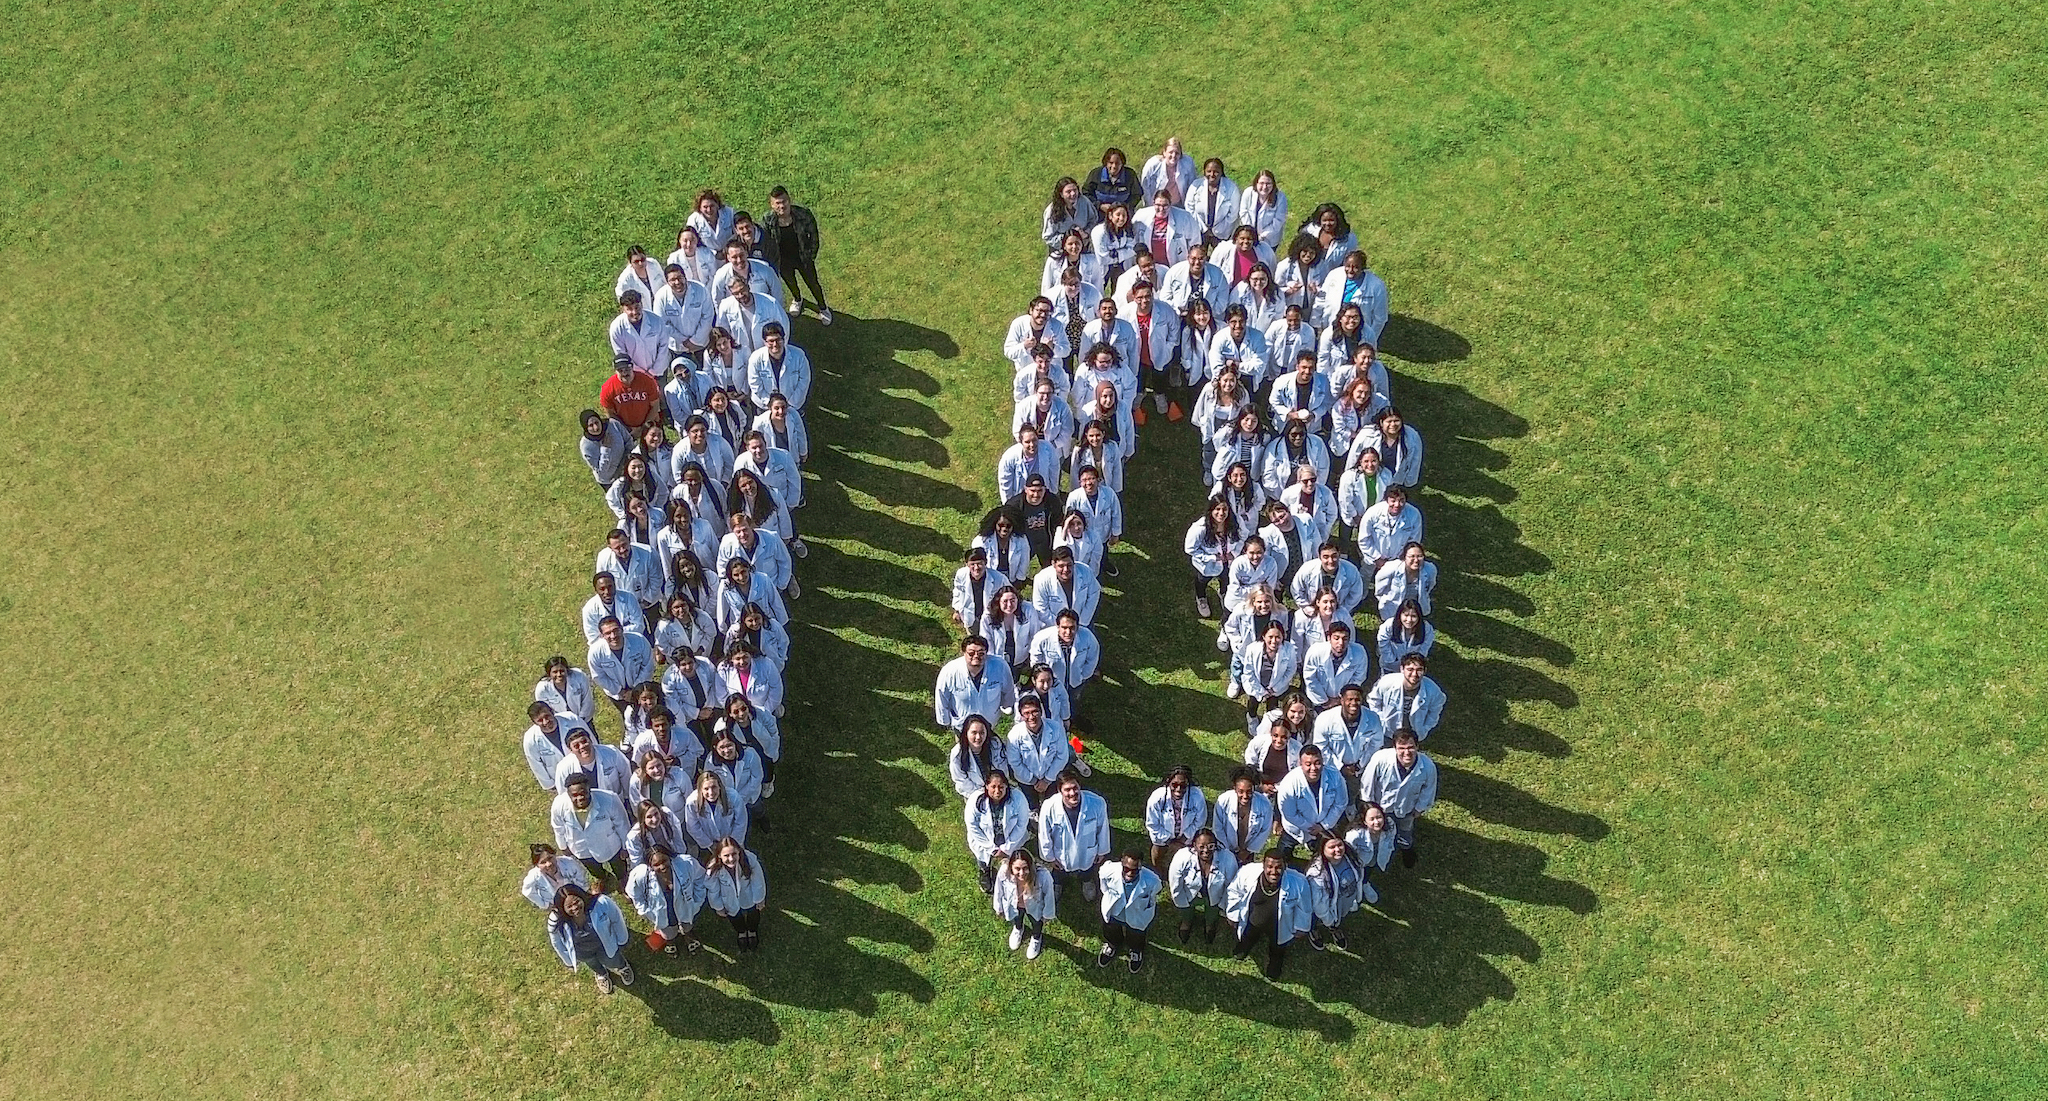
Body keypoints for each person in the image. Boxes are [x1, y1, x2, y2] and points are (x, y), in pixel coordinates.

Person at [1224, 844, 1314, 979]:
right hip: (1253, 921)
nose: (1274, 871)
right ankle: (1243, 949)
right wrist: (1233, 914)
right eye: (1270, 867)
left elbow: (1304, 907)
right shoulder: (1247, 872)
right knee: (1248, 936)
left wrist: (1302, 927)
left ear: (1285, 866)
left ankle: (1274, 963)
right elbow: (1234, 891)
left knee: (1278, 947)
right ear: (1263, 865)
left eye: (1278, 867)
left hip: (1280, 925)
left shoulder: (1299, 882)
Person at [1362, 729, 1437, 867]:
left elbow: (1429, 789)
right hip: (1381, 808)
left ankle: (1406, 850)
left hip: (1407, 811)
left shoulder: (1427, 766)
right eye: (1401, 748)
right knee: (1377, 832)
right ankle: (1375, 854)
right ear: (1394, 748)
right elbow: (1367, 783)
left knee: (1405, 831)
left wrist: (1420, 808)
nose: (1406, 753)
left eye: (1410, 747)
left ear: (1417, 747)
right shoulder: (1380, 759)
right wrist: (1369, 806)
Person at [760, 186, 831, 324]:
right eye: (777, 203)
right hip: (783, 260)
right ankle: (798, 299)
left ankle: (823, 307)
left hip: (803, 258)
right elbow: (766, 242)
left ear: (789, 200)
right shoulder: (768, 220)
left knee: (813, 283)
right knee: (790, 282)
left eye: (784, 201)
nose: (782, 206)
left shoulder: (803, 214)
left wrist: (811, 255)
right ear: (772, 204)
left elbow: (814, 236)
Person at [1037, 769, 1111, 901]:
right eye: (1067, 790)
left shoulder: (1097, 803)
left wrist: (1102, 851)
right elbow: (1044, 834)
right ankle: (1057, 884)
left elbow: (1103, 828)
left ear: (1079, 786)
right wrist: (1050, 858)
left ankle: (1087, 882)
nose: (1072, 793)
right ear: (1060, 791)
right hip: (1060, 853)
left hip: (1087, 850)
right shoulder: (1049, 807)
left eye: (1075, 788)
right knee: (1059, 871)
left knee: (1087, 869)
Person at [549, 774, 632, 891]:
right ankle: (602, 877)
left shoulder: (609, 799)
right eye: (574, 795)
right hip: (581, 847)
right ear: (568, 794)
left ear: (589, 789)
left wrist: (625, 846)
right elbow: (558, 827)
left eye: (583, 793)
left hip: (610, 845)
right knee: (593, 868)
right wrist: (562, 845)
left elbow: (622, 824)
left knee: (619, 865)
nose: (580, 798)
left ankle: (622, 880)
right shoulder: (559, 805)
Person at [546, 886, 634, 994]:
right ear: (562, 909)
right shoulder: (555, 920)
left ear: (582, 897)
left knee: (612, 960)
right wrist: (567, 960)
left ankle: (622, 967)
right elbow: (556, 941)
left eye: (577, 902)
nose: (575, 908)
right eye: (569, 906)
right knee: (592, 963)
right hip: (582, 952)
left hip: (604, 944)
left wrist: (622, 939)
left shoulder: (601, 902)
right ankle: (601, 974)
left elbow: (616, 918)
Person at [626, 844, 706, 956]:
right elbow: (634, 894)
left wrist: (697, 901)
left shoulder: (686, 863)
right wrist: (645, 911)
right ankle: (670, 942)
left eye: (664, 860)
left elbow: (700, 878)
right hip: (663, 914)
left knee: (687, 924)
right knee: (668, 932)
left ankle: (688, 937)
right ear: (650, 866)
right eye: (656, 864)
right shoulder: (640, 875)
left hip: (685, 907)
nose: (662, 867)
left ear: (670, 857)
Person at [1028, 609, 1099, 731]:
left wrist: (1083, 676)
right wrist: (1045, 679)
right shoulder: (1042, 638)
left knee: (1071, 700)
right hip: (1052, 683)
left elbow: (1092, 658)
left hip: (1075, 682)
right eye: (1064, 627)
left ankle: (1070, 718)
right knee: (1052, 703)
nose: (1068, 632)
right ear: (1057, 626)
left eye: (1072, 628)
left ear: (1078, 626)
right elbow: (1035, 661)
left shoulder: (1087, 637)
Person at [966, 769, 1033, 895]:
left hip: (1011, 839)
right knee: (983, 859)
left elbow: (1021, 824)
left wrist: (1007, 847)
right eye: (993, 787)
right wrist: (991, 848)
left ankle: (1014, 874)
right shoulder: (975, 800)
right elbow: (972, 826)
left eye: (1001, 787)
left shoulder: (1017, 797)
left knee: (1014, 859)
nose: (997, 791)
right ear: (986, 786)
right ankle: (985, 871)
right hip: (984, 841)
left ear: (1007, 786)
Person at [1166, 828, 1237, 945]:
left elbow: (1231, 886)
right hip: (1189, 893)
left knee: (1212, 912)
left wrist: (1224, 904)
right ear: (1194, 845)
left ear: (1216, 845)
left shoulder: (1227, 858)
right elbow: (1175, 882)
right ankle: (1187, 922)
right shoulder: (1182, 857)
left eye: (1210, 846)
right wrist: (1180, 900)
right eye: (1201, 846)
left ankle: (1209, 925)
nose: (1206, 850)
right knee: (1186, 910)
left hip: (1215, 895)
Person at [1096, 851, 1163, 972]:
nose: (1130, 873)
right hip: (1114, 912)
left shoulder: (1152, 880)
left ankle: (1136, 951)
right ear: (1121, 862)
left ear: (1140, 866)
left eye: (1134, 869)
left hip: (1137, 915)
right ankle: (1112, 944)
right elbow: (1103, 882)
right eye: (1126, 868)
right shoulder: (1109, 870)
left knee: (1136, 936)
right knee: (1111, 930)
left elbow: (1154, 893)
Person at [1275, 744, 1350, 851]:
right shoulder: (1289, 784)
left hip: (1326, 824)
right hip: (1296, 828)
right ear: (1300, 764)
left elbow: (1340, 804)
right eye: (1308, 764)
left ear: (1323, 761)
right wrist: (1310, 828)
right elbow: (1290, 814)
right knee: (1282, 856)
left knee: (1327, 857)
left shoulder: (1335, 776)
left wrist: (1323, 825)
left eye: (1317, 763)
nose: (1313, 768)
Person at [933, 636, 1016, 732]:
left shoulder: (1000, 666)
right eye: (971, 653)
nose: (976, 656)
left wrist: (1007, 705)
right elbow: (941, 697)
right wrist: (944, 720)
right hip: (962, 726)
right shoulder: (949, 671)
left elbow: (1008, 689)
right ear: (963, 653)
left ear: (987, 653)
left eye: (981, 653)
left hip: (990, 723)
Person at [703, 837, 768, 952]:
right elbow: (713, 890)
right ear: (719, 856)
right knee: (735, 917)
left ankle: (752, 931)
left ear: (739, 851)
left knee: (753, 915)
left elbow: (758, 881)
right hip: (728, 900)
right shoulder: (713, 869)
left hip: (749, 896)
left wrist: (759, 899)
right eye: (726, 856)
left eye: (734, 854)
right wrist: (718, 906)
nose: (731, 859)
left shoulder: (749, 860)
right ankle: (742, 933)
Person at [587, 616, 656, 722]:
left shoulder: (639, 641)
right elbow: (598, 676)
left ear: (622, 629)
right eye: (608, 633)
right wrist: (620, 691)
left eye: (616, 630)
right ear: (601, 636)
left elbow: (648, 666)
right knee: (630, 719)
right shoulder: (595, 652)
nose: (613, 636)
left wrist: (636, 691)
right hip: (618, 695)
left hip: (643, 690)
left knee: (652, 716)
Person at [1312, 683, 1385, 783]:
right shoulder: (1324, 719)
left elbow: (1376, 744)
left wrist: (1360, 764)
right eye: (1350, 699)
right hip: (1331, 771)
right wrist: (1340, 767)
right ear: (1342, 700)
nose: (1354, 703)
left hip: (1362, 770)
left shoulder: (1373, 718)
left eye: (1357, 699)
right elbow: (1321, 747)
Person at [1305, 833, 1367, 950]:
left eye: (1339, 845)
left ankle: (1334, 928)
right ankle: (1313, 929)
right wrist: (1328, 920)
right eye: (1331, 847)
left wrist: (1357, 897)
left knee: (1338, 918)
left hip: (1343, 901)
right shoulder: (1317, 874)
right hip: (1325, 906)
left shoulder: (1351, 857)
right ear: (1322, 850)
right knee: (1315, 919)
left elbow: (1359, 876)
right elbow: (1319, 905)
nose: (1337, 849)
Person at [1315, 248, 1388, 345]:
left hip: (1359, 334)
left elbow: (1380, 318)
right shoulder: (1334, 275)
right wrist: (1316, 324)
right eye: (1347, 266)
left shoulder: (1376, 286)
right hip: (1332, 327)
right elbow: (1321, 299)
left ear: (1363, 268)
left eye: (1356, 267)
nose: (1350, 270)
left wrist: (1369, 339)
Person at [1004, 693, 1070, 801]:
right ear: (1021, 715)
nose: (1031, 717)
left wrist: (1047, 780)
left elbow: (1062, 756)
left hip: (1052, 776)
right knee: (1030, 803)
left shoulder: (1056, 728)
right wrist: (1033, 780)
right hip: (1026, 779)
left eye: (1035, 711)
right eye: (1026, 713)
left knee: (1052, 802)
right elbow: (1014, 762)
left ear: (1041, 712)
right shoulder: (1014, 735)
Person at [1369, 652, 1447, 741]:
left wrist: (1424, 729)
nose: (1414, 674)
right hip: (1388, 733)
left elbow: (1434, 714)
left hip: (1414, 735)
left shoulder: (1434, 691)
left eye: (1419, 670)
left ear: (1424, 671)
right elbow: (1373, 701)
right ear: (1402, 669)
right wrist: (1381, 723)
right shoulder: (1386, 682)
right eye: (1410, 669)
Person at [1143, 765, 1208, 871]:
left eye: (1183, 786)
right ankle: (1158, 870)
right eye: (1174, 785)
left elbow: (1200, 820)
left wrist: (1185, 838)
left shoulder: (1197, 796)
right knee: (1159, 851)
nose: (1179, 789)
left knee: (1188, 859)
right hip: (1162, 835)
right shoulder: (1157, 798)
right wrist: (1169, 841)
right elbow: (1152, 824)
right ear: (1168, 782)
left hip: (1187, 836)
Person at [994, 849, 1055, 960]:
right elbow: (998, 889)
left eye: (1025, 868)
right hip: (1015, 904)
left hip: (1035, 906)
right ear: (1010, 866)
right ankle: (1018, 929)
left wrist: (1047, 914)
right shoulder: (1004, 872)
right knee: (1017, 917)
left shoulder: (1043, 876)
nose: (1021, 873)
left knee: (1036, 922)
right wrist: (999, 907)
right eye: (1017, 869)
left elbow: (1049, 895)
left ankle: (1036, 938)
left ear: (1030, 866)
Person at [1237, 619, 1298, 730]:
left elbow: (1291, 670)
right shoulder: (1252, 649)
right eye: (1270, 637)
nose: (1274, 641)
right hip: (1256, 685)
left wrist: (1274, 689)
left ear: (1283, 637)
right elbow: (1248, 672)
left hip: (1275, 688)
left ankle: (1269, 724)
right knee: (1253, 703)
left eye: (1278, 637)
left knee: (1272, 706)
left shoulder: (1289, 649)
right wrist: (1261, 691)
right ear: (1264, 636)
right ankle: (1252, 718)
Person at [1185, 495, 1239, 619]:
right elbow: (1190, 549)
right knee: (1202, 581)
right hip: (1207, 565)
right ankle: (1201, 598)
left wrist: (1234, 553)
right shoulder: (1200, 529)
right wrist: (1212, 558)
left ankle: (1224, 593)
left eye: (1224, 509)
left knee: (1226, 578)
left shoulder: (1234, 522)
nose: (1221, 513)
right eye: (1217, 509)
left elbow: (1242, 536)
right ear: (1211, 511)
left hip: (1228, 562)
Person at [554, 725, 633, 808]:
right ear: (570, 750)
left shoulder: (611, 753)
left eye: (584, 741)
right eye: (576, 746)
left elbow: (626, 775)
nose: (582, 746)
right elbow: (564, 795)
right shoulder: (563, 768)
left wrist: (628, 800)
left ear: (591, 740)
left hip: (615, 805)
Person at [523, 701, 593, 794]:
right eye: (540, 720)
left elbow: (591, 740)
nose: (546, 722)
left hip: (586, 768)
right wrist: (551, 785)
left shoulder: (572, 719)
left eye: (547, 716)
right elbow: (536, 765)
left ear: (552, 711)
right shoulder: (530, 740)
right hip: (562, 780)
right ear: (534, 722)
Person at [1210, 766, 1276, 865]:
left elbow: (1265, 830)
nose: (1245, 796)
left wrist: (1248, 851)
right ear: (1234, 789)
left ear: (1254, 788)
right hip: (1225, 849)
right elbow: (1218, 828)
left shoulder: (1264, 804)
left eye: (1249, 791)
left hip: (1248, 853)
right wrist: (1227, 850)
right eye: (1241, 791)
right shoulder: (1223, 801)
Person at [991, 475, 1058, 567]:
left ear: (1045, 490)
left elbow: (1059, 521)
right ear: (1026, 489)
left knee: (1051, 569)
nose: (1036, 495)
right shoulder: (1013, 506)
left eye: (1040, 491)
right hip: (1023, 543)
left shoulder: (1052, 501)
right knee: (1016, 568)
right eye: (1033, 491)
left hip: (1045, 542)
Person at [744, 324, 812, 413]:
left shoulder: (799, 355)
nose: (775, 344)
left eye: (778, 340)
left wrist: (790, 403)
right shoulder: (755, 358)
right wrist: (770, 403)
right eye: (771, 341)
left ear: (784, 339)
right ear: (764, 342)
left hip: (792, 404)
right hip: (764, 405)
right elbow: (754, 383)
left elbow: (804, 381)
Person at [1302, 621, 1370, 710]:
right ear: (1329, 638)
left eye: (1345, 639)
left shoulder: (1359, 652)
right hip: (1318, 699)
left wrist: (1341, 698)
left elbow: (1358, 678)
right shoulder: (1315, 652)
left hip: (1343, 701)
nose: (1341, 643)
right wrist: (1325, 701)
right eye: (1336, 638)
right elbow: (1310, 678)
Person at [1351, 405, 1423, 488]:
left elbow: (1415, 460)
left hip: (1396, 482)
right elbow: (1353, 456)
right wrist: (1351, 477)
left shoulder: (1411, 436)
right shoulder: (1367, 434)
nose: (1393, 424)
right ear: (1381, 422)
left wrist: (1410, 482)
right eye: (1389, 421)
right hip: (1371, 479)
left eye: (1396, 421)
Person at [681, 771, 748, 859]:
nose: (711, 792)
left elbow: (741, 821)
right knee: (720, 860)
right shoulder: (692, 803)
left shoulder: (733, 797)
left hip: (732, 838)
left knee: (737, 858)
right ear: (700, 789)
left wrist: (733, 842)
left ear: (720, 786)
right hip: (712, 841)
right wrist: (709, 844)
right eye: (706, 789)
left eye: (714, 787)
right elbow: (693, 827)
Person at [1030, 546, 1102, 627]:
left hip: (1082, 622)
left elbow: (1094, 593)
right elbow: (1040, 608)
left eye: (1069, 565)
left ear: (1074, 562)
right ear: (1053, 564)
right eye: (1061, 566)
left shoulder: (1085, 571)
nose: (1066, 570)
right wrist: (1062, 626)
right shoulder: (1041, 579)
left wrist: (1082, 622)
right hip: (1052, 625)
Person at [1357, 484, 1424, 569]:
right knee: (1365, 576)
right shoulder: (1372, 513)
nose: (1397, 505)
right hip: (1372, 557)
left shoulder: (1414, 514)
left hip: (1399, 559)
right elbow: (1364, 539)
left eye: (1401, 500)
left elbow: (1414, 540)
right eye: (1393, 500)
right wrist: (1377, 558)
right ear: (1386, 500)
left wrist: (1403, 556)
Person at [977, 583, 1037, 678]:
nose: (1009, 605)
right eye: (1005, 601)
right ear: (998, 602)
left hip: (1023, 656)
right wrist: (993, 663)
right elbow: (986, 641)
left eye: (1013, 601)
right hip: (999, 657)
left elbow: (1035, 635)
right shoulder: (988, 617)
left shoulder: (1028, 610)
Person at [599, 351, 664, 435]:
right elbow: (610, 414)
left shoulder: (647, 381)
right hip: (624, 429)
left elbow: (655, 406)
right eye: (620, 370)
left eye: (627, 369)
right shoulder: (608, 388)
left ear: (632, 367)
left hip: (649, 423)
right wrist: (628, 429)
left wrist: (644, 427)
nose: (624, 373)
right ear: (615, 371)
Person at [1345, 800, 1397, 904]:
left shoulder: (1390, 825)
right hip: (1358, 863)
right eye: (1372, 819)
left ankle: (1365, 884)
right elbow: (1348, 854)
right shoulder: (1354, 835)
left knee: (1368, 871)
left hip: (1373, 860)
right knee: (1354, 878)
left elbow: (1391, 839)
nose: (1377, 822)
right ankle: (1352, 896)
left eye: (1379, 817)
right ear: (1364, 821)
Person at [608, 296, 670, 382]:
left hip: (659, 371)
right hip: (634, 375)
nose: (634, 312)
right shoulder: (617, 327)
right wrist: (641, 372)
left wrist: (654, 371)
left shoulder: (656, 321)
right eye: (629, 309)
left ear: (642, 305)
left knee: (661, 394)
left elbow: (664, 346)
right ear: (622, 309)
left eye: (637, 307)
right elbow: (621, 354)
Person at [951, 715, 1012, 800]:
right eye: (974, 733)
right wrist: (982, 795)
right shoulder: (957, 754)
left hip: (998, 790)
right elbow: (961, 780)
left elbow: (1003, 768)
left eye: (982, 732)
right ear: (966, 733)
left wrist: (996, 789)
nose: (978, 737)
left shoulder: (995, 744)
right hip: (974, 794)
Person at [949, 547, 1009, 632]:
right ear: (967, 564)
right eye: (972, 564)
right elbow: (958, 592)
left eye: (979, 563)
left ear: (986, 563)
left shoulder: (999, 579)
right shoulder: (961, 575)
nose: (976, 568)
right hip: (971, 616)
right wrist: (957, 610)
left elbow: (1010, 595)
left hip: (993, 618)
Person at [1136, 189, 1200, 268]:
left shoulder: (1185, 217)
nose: (1161, 209)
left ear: (1170, 204)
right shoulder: (1141, 215)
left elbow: (1195, 243)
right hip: (1150, 267)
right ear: (1153, 203)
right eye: (1158, 205)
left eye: (1165, 205)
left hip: (1177, 265)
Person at [1002, 299, 1068, 373]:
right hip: (1026, 372)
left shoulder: (1056, 326)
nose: (1043, 315)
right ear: (1031, 310)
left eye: (1046, 312)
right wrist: (1024, 346)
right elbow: (1008, 352)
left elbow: (1066, 351)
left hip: (1050, 372)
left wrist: (1053, 347)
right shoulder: (1018, 324)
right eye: (1039, 311)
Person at [1184, 157, 1240, 245]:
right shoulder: (1196, 185)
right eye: (1209, 171)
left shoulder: (1231, 188)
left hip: (1221, 233)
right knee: (1199, 257)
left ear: (1221, 172)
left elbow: (1233, 213)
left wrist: (1217, 230)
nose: (1212, 174)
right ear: (1204, 172)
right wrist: (1204, 229)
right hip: (1199, 230)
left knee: (1221, 258)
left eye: (1216, 171)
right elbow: (1189, 208)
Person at [521, 842, 592, 910]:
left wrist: (585, 893)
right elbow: (526, 890)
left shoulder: (569, 862)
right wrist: (545, 905)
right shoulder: (533, 876)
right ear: (537, 865)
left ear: (555, 855)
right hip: (556, 904)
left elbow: (581, 880)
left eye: (550, 858)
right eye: (543, 862)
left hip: (577, 897)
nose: (549, 864)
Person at [997, 425, 1059, 503]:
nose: (1032, 445)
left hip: (1042, 494)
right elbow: (1005, 484)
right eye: (1027, 442)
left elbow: (1054, 470)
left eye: (1034, 440)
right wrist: (1008, 505)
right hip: (1020, 498)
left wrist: (1053, 493)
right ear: (1020, 442)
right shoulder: (1009, 457)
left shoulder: (1048, 449)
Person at [1299, 202, 1358, 280]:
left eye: (1331, 220)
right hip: (1308, 277)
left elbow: (1350, 261)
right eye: (1324, 220)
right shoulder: (1310, 230)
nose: (1328, 224)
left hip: (1333, 279)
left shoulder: (1349, 238)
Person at [535, 655, 597, 729]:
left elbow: (587, 700)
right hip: (561, 725)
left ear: (567, 670)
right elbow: (545, 711)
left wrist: (581, 721)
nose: (559, 675)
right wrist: (562, 723)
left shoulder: (579, 676)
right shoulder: (542, 689)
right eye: (555, 672)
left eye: (562, 671)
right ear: (549, 674)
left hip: (585, 719)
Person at [1042, 176, 1100, 255]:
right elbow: (1048, 237)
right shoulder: (1051, 211)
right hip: (1061, 251)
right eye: (1068, 191)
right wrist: (1067, 240)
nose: (1073, 194)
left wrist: (1086, 232)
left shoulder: (1084, 202)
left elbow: (1093, 219)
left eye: (1075, 190)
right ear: (1061, 194)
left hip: (1083, 248)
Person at [1377, 598, 1437, 672]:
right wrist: (1390, 659)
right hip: (1390, 665)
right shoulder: (1390, 625)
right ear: (1400, 614)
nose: (1409, 620)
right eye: (1406, 615)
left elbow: (1426, 645)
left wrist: (1415, 661)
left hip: (1411, 667)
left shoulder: (1426, 628)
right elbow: (1382, 641)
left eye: (1414, 616)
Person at [1236, 169, 1290, 251]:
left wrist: (1262, 236)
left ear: (1273, 185)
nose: (1264, 187)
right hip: (1249, 237)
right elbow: (1243, 213)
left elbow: (1278, 221)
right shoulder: (1248, 193)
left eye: (1268, 184)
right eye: (1261, 183)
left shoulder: (1280, 198)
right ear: (1256, 183)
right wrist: (1251, 233)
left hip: (1269, 239)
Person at [578, 409, 632, 487]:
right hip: (610, 480)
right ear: (586, 428)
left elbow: (628, 441)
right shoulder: (586, 446)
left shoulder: (613, 425)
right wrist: (605, 449)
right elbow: (602, 472)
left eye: (596, 422)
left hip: (627, 468)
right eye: (591, 425)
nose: (596, 428)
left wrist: (628, 461)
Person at [1140, 137, 1196, 204]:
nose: (1174, 156)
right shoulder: (1152, 165)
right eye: (1170, 152)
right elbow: (1145, 186)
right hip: (1158, 204)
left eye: (1177, 153)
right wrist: (1150, 205)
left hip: (1179, 204)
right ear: (1164, 152)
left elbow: (1192, 185)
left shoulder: (1188, 163)